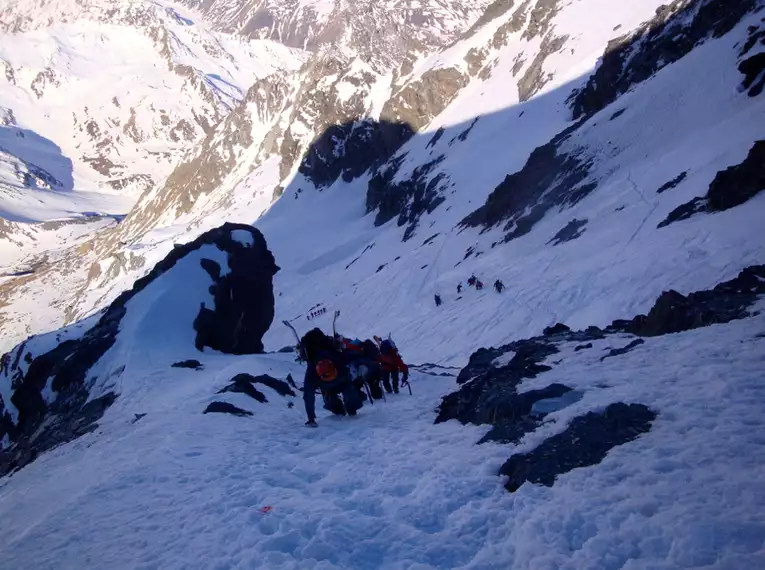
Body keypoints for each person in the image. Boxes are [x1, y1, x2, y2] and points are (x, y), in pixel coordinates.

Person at [299, 328, 361, 427]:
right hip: (342, 381)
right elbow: (349, 357)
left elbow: (308, 394)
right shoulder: (335, 355)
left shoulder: (312, 368)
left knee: (334, 403)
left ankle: (340, 409)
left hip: (326, 386)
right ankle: (351, 410)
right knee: (350, 395)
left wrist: (311, 418)